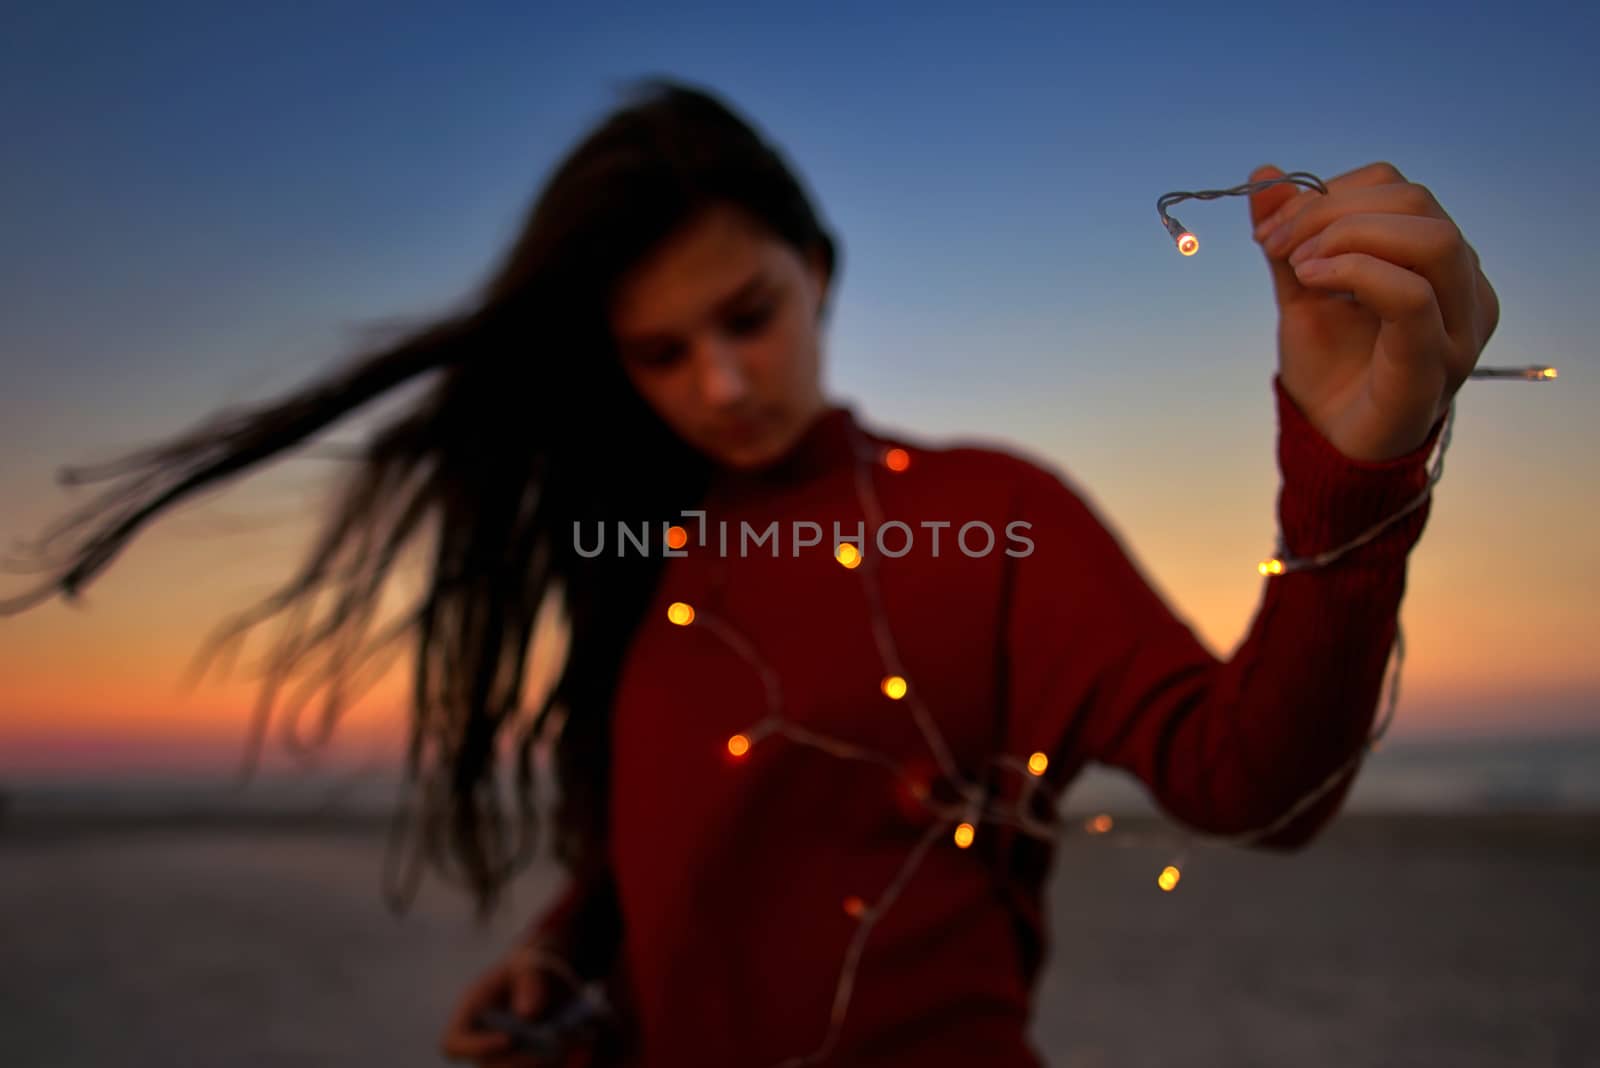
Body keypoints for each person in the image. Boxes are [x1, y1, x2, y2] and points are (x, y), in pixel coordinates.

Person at [3, 76, 1498, 1067]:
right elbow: (661, 830)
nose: (719, 384)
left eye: (749, 315)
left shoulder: (990, 517)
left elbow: (1249, 784)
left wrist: (1350, 472)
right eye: (661, 352)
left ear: (822, 270)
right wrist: (567, 957)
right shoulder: (640, 557)